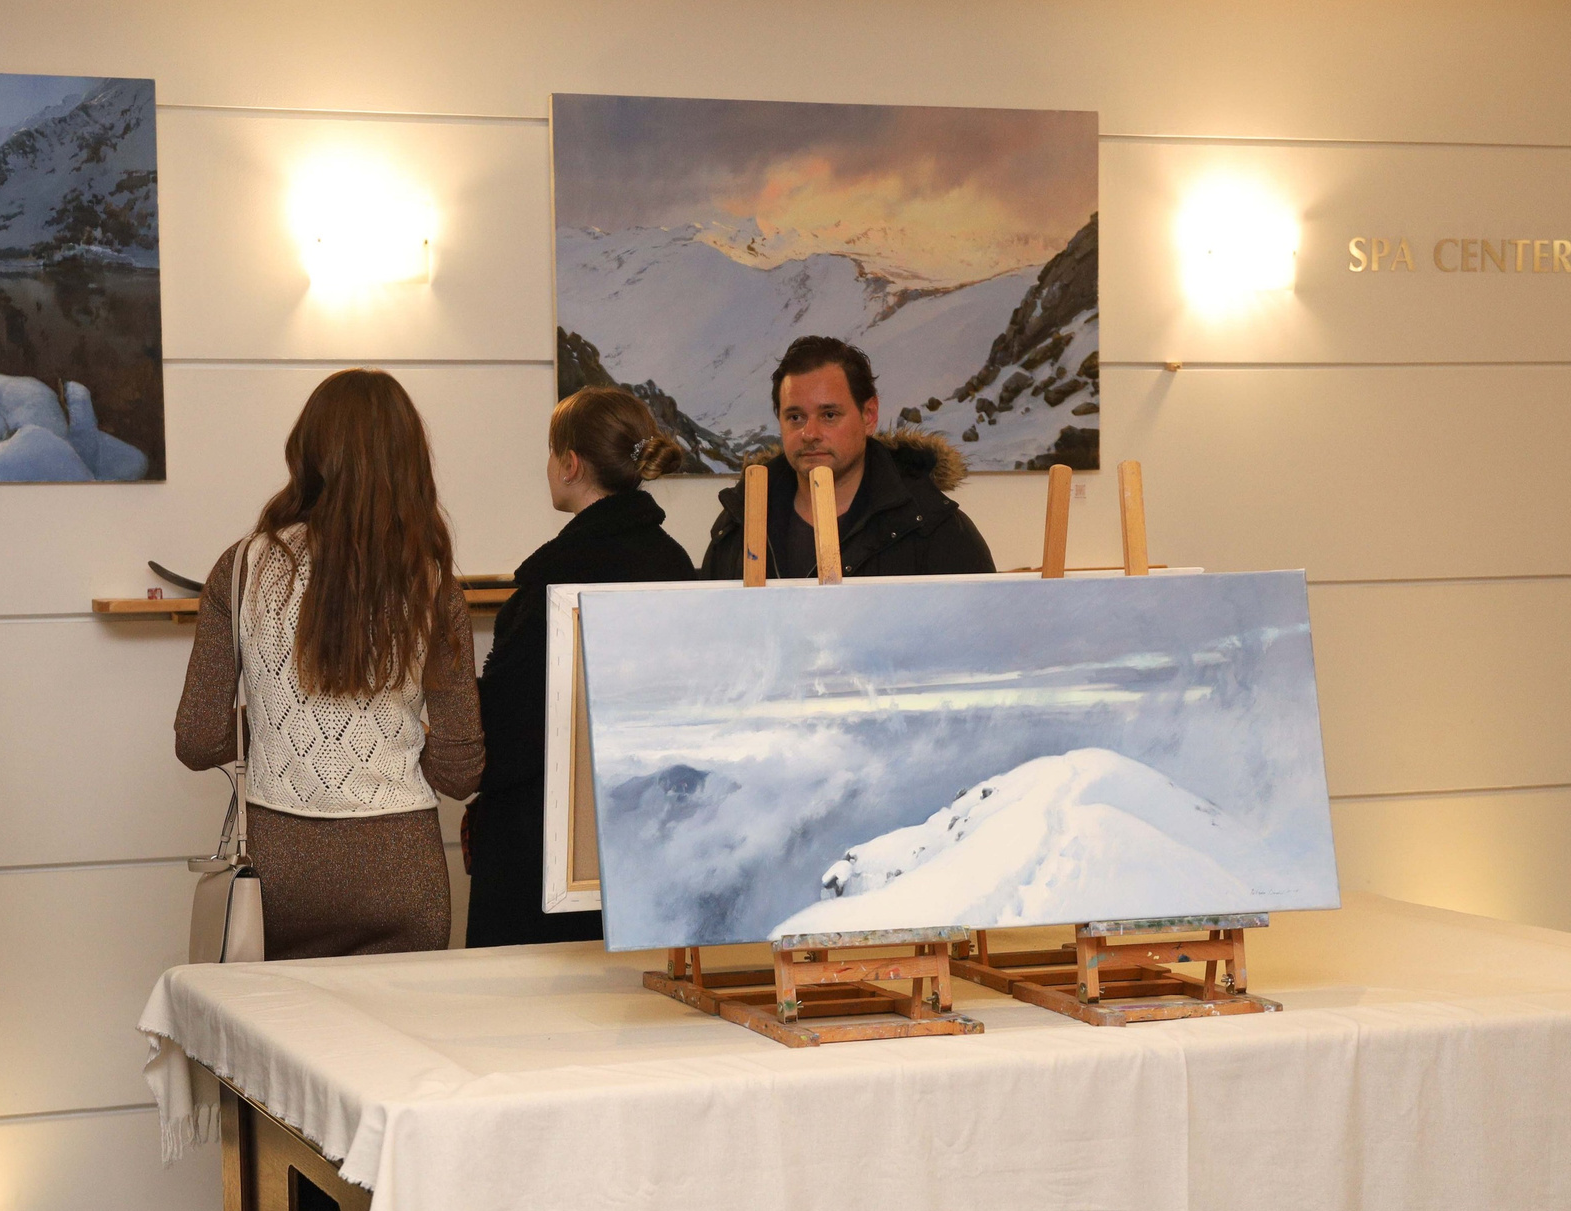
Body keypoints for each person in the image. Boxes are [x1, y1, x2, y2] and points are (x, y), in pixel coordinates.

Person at [174, 368, 483, 957]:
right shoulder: (432, 579)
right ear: (410, 460)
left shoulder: (242, 568)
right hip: (402, 868)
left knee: (277, 1044)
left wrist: (273, 725)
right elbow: (462, 769)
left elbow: (197, 740)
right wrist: (398, 743)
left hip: (280, 870)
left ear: (307, 452)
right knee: (399, 1048)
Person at [465, 388, 697, 947]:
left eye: (551, 453)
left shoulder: (555, 578)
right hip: (655, 842)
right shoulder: (677, 565)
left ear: (570, 464)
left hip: (546, 857)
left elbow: (508, 737)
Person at [698, 336, 995, 580]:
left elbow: (980, 644)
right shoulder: (740, 521)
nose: (809, 433)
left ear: (869, 415)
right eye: (795, 416)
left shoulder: (932, 527)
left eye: (829, 415)